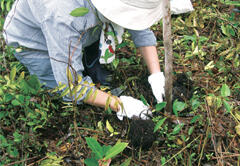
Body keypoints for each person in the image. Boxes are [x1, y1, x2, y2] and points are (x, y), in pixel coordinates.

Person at [3, 0, 167, 120]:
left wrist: (156, 75)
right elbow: (70, 86)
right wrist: (119, 105)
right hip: (33, 43)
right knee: (64, 94)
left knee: (86, 53)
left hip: (76, 29)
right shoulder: (63, 14)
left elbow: (137, 24)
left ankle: (87, 56)